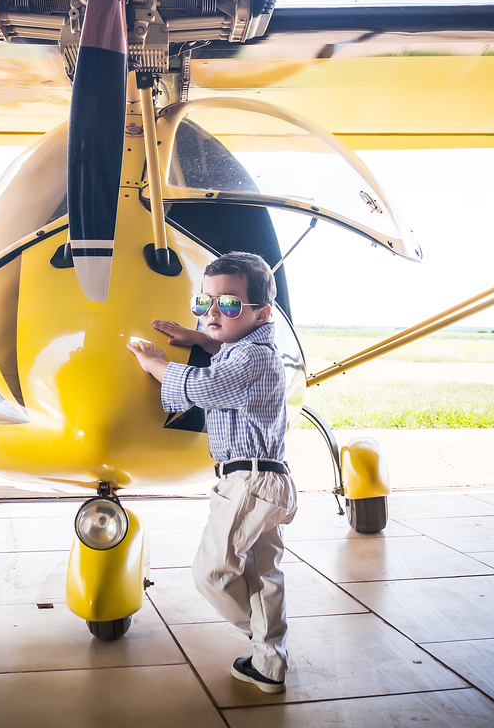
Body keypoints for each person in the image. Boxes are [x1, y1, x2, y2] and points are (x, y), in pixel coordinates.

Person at [127, 251, 296, 694]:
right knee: (262, 577)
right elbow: (227, 354)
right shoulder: (247, 349)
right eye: (204, 303)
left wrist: (155, 365)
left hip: (250, 481)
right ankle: (268, 663)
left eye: (230, 304)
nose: (214, 312)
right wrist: (200, 339)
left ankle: (260, 635)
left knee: (212, 573)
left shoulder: (253, 359)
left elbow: (205, 387)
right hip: (265, 480)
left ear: (263, 312)